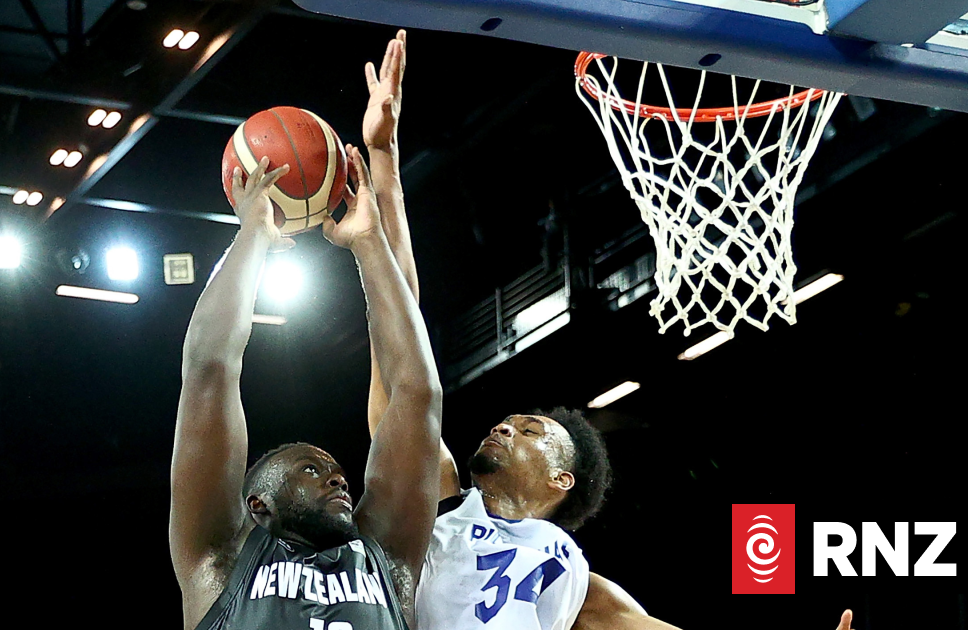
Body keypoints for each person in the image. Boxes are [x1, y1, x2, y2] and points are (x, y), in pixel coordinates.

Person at [359, 30, 856, 630]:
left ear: (560, 479)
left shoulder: (573, 575)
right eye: (511, 422)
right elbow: (399, 331)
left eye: (530, 430)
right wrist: (384, 158)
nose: (504, 426)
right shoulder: (438, 503)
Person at [169, 144, 443, 629]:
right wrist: (251, 235)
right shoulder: (218, 559)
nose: (338, 480)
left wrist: (371, 242)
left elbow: (418, 394)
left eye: (333, 471)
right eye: (311, 471)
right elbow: (209, 367)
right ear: (258, 505)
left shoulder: (388, 562)